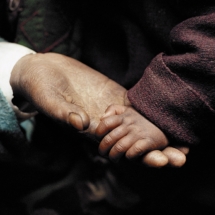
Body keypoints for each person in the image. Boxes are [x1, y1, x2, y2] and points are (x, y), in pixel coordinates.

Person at [1, 0, 215, 214]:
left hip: (185, 92)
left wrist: (160, 106)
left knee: (153, 161)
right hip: (114, 47)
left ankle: (121, 192)